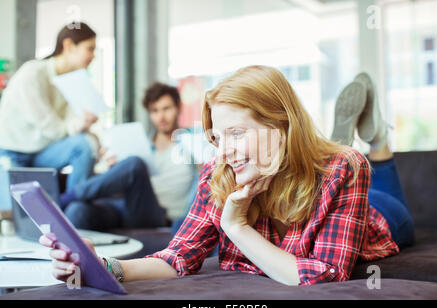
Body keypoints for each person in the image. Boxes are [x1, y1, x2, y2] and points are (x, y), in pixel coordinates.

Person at [40, 66, 414, 286]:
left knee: (375, 182)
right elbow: (180, 256)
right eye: (217, 138)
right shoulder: (218, 172)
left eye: (236, 133)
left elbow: (324, 274)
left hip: (377, 218)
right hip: (317, 168)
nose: (224, 153)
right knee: (335, 157)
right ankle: (341, 139)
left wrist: (237, 228)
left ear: (280, 126)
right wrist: (103, 267)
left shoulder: (346, 169)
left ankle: (376, 138)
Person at [59, 83, 206, 231]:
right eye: (154, 111)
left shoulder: (190, 142)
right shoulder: (142, 144)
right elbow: (122, 190)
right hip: (127, 207)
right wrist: (115, 170)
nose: (161, 117)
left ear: (178, 108)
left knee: (135, 164)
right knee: (77, 210)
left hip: (157, 216)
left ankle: (63, 198)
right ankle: (69, 204)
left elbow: (206, 172)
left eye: (166, 109)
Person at [0, 22, 99, 190]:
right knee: (21, 213)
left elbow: (70, 124)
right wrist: (78, 125)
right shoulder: (33, 73)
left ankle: (75, 201)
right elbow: (50, 126)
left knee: (87, 144)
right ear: (69, 46)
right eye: (89, 48)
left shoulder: (73, 82)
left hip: (42, 152)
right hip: (13, 152)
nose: (93, 55)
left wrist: (90, 133)